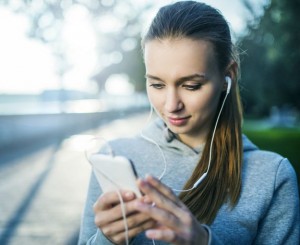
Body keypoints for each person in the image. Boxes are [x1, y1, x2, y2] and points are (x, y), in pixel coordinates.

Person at [78, 1, 299, 244]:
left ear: (228, 77)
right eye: (157, 84)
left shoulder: (272, 177)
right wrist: (106, 239)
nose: (171, 104)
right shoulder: (114, 156)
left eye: (191, 85)